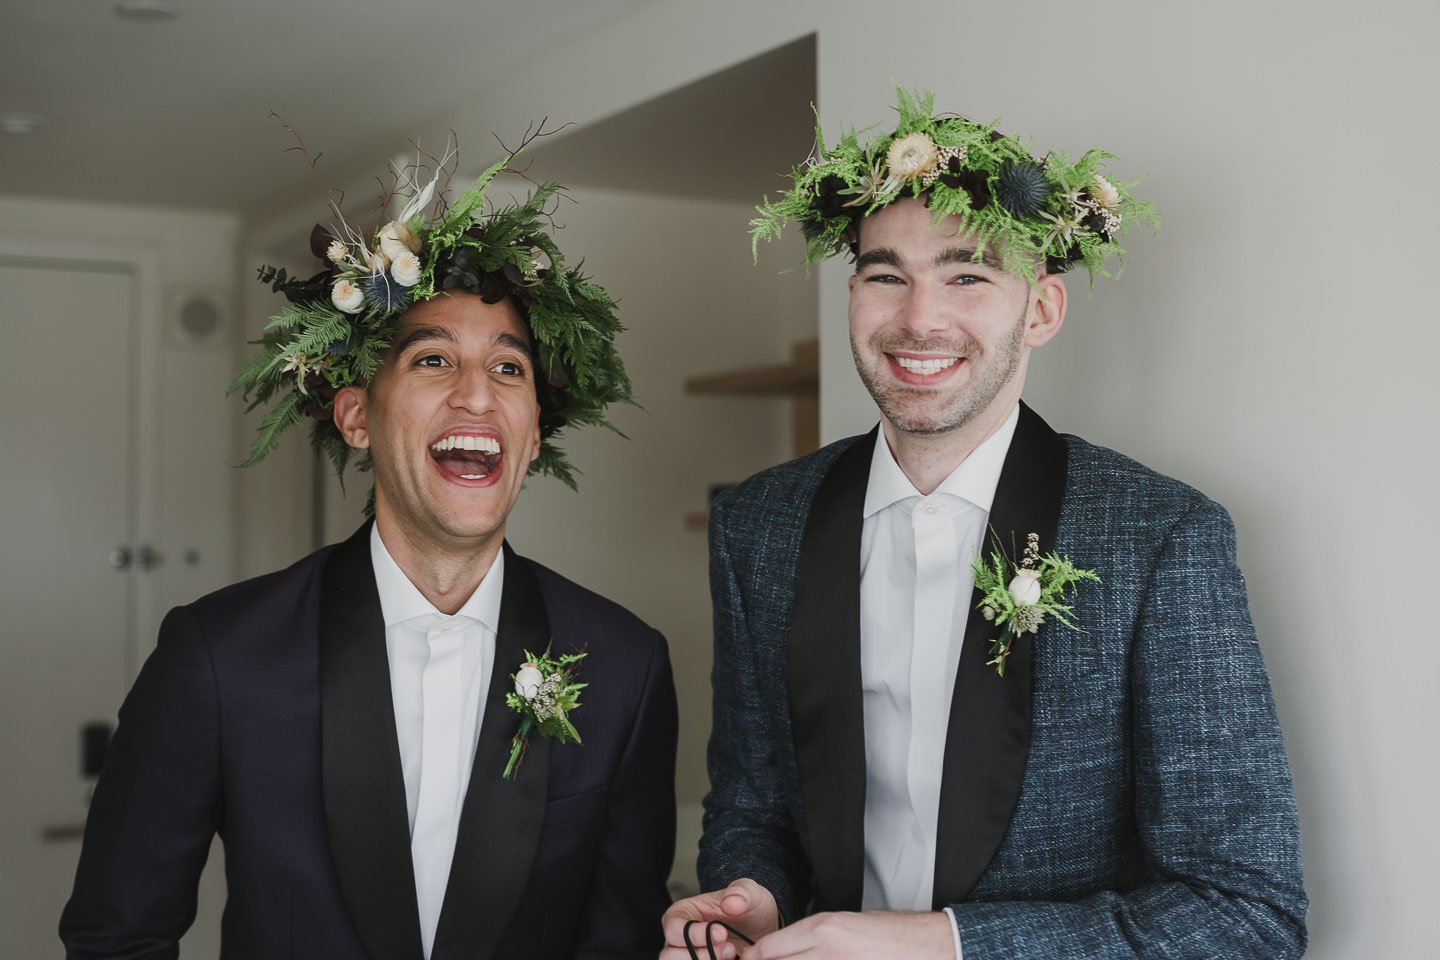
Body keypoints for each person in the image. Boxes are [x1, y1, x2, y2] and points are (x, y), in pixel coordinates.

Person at [663, 89, 1306, 959]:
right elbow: (754, 804)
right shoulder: (759, 523)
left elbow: (1244, 913)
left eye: (967, 275)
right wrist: (755, 895)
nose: (918, 318)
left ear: (1039, 310)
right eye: (885, 275)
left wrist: (942, 943)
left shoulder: (1161, 536)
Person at [60, 142, 676, 959]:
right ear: (356, 418)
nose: (475, 393)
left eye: (507, 367)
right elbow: (118, 937)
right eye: (432, 360)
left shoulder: (627, 667)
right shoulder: (217, 656)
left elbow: (619, 941)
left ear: (533, 439)